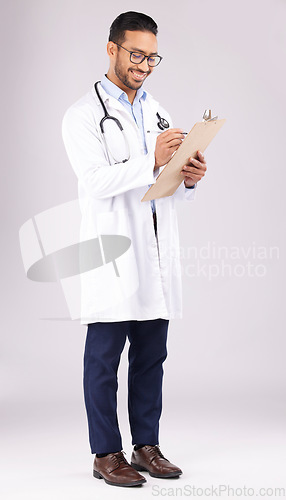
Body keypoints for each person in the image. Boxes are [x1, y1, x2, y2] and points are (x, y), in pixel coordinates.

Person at [62, 11, 207, 488]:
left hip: (156, 256)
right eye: (137, 54)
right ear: (112, 49)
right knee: (102, 362)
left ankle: (147, 446)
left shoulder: (157, 109)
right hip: (112, 257)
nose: (145, 64)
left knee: (151, 357)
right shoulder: (82, 115)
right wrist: (153, 160)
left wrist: (187, 177)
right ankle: (106, 453)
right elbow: (96, 182)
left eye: (152, 56)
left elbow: (161, 183)